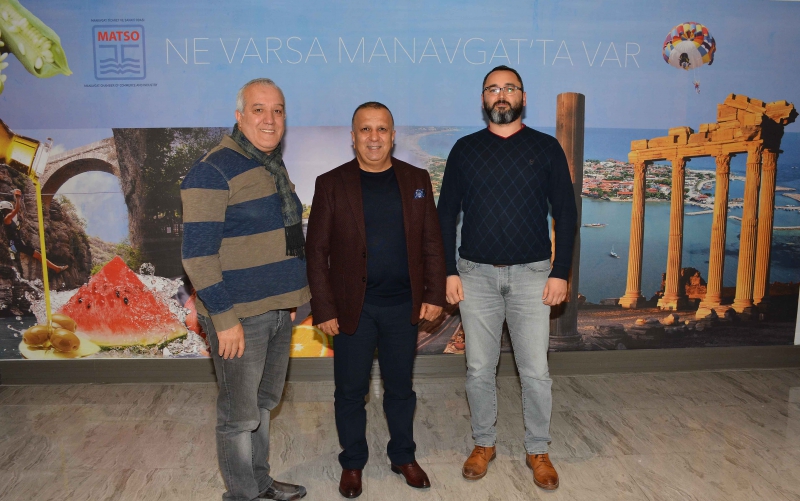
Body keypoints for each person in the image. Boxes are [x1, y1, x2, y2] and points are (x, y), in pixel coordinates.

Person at [437, 65, 578, 491]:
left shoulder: (546, 148)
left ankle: (538, 449)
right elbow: (445, 215)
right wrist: (448, 271)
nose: (501, 95)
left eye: (509, 88)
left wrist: (560, 272)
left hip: (533, 276)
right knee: (479, 369)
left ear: (523, 97)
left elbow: (566, 213)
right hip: (474, 276)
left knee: (535, 371)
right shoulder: (464, 149)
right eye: (493, 89)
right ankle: (484, 444)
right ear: (483, 99)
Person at [305, 102, 447, 499]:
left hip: (403, 307)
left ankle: (403, 456)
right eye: (365, 129)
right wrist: (324, 308)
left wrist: (435, 294)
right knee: (350, 392)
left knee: (401, 389)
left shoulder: (417, 179)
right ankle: (352, 462)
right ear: (353, 137)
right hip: (354, 309)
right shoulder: (331, 183)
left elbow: (432, 241)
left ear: (393, 135)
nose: (374, 137)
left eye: (381, 129)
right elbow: (315, 252)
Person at [181, 78, 310, 501]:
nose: (269, 119)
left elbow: (281, 238)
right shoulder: (212, 170)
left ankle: (260, 482)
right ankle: (242, 495)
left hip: (276, 310)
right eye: (258, 109)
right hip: (238, 317)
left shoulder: (270, 165)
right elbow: (197, 256)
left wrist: (292, 299)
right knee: (238, 417)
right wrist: (224, 320)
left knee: (263, 404)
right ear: (239, 116)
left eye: (278, 110)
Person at [1, 189, 68, 273]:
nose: (11, 210)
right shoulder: (7, 218)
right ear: (6, 209)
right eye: (10, 209)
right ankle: (56, 268)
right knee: (38, 255)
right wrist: (18, 197)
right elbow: (16, 210)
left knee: (37, 255)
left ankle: (56, 268)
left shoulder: (8, 219)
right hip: (16, 245)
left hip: (17, 243)